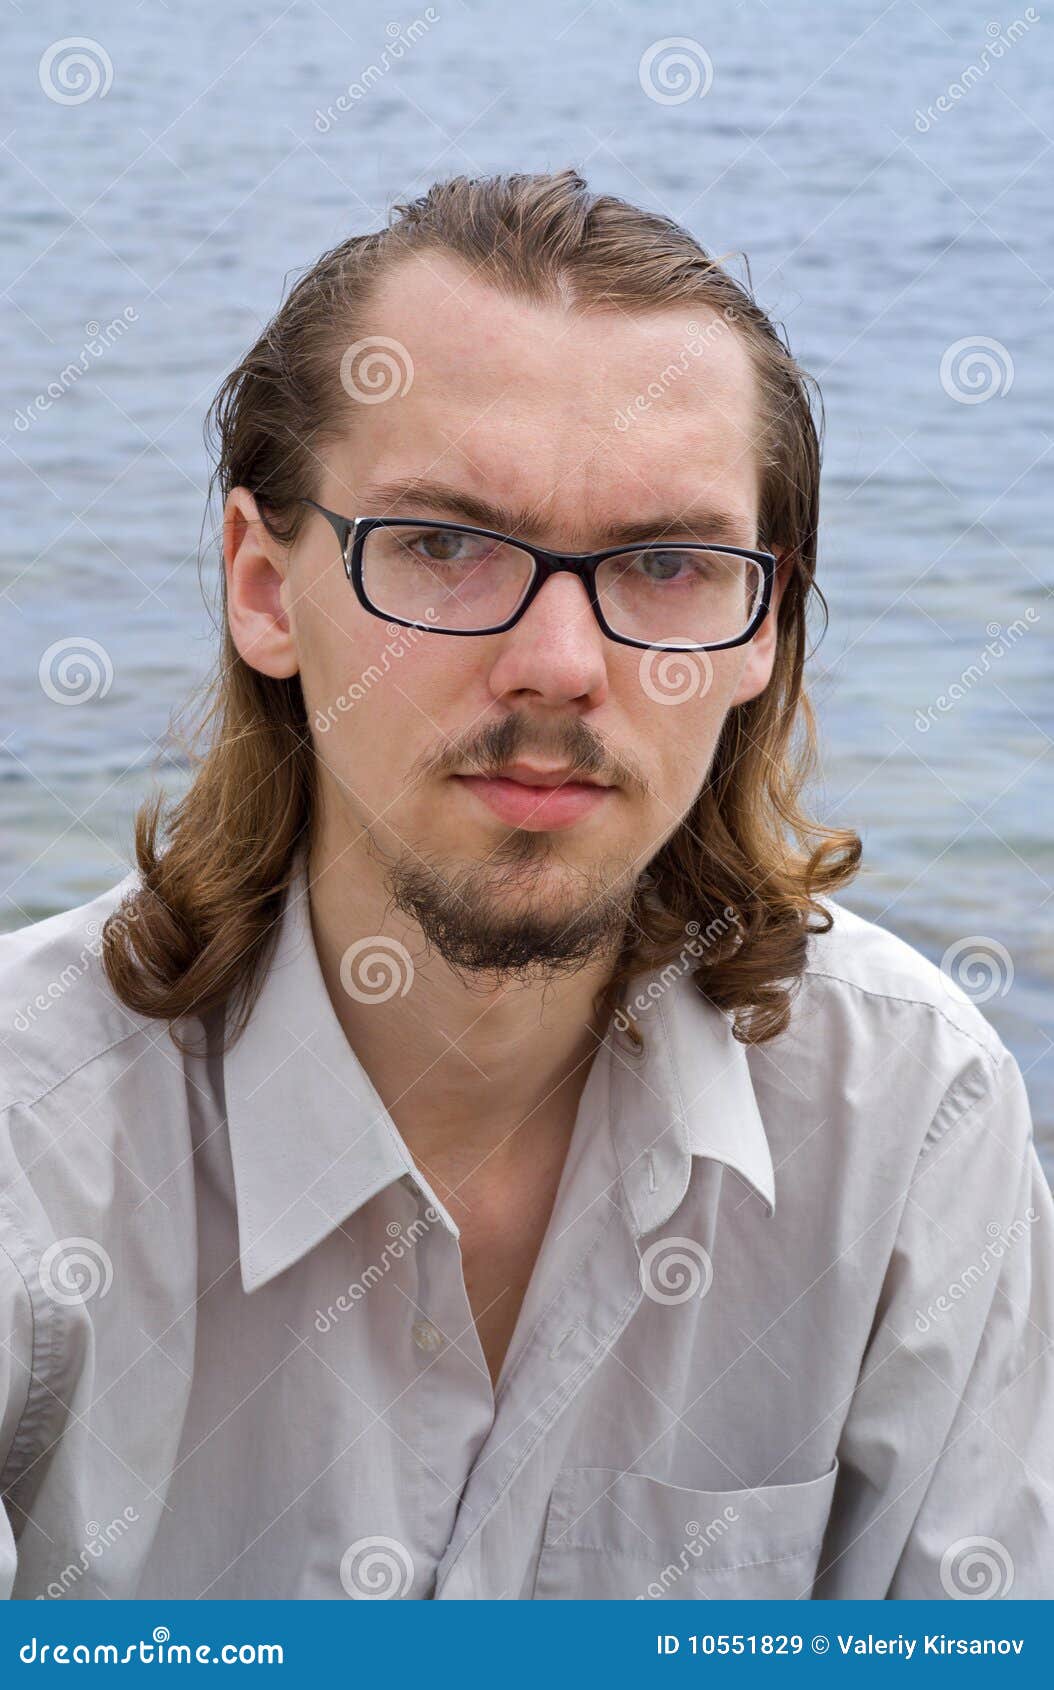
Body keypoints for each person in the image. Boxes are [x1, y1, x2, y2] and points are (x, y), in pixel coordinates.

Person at [2, 168, 1051, 1602]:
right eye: (443, 543)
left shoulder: (912, 1123)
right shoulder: (30, 1141)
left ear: (760, 625)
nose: (560, 663)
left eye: (668, 562)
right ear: (262, 584)